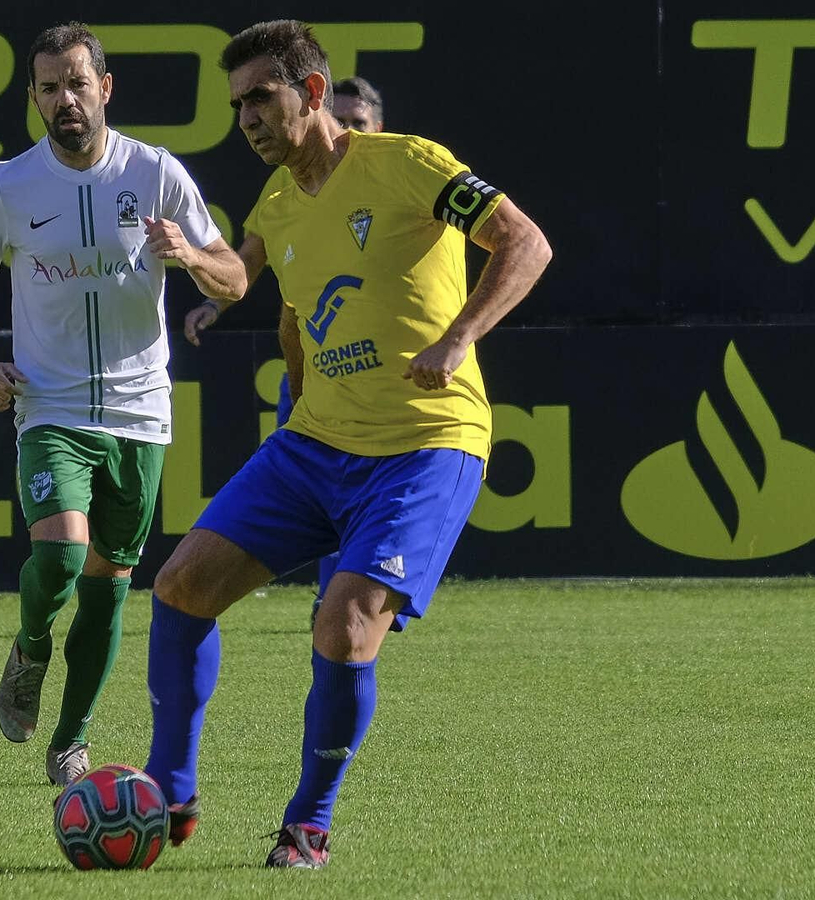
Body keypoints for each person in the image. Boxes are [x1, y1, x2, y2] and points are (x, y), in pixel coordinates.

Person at [149, 20, 552, 868]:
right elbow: (285, 309)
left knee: (346, 622)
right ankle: (167, 794)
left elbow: (526, 242)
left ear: (316, 92)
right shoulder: (277, 202)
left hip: (426, 444)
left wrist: (459, 338)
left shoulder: (406, 160)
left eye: (262, 96)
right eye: (237, 105)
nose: (247, 117)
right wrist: (193, 260)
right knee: (181, 585)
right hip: (315, 443)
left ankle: (308, 822)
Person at [0, 22, 245, 787]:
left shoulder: (157, 171)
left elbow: (234, 277)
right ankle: (32, 642)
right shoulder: (7, 185)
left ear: (105, 87)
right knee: (63, 556)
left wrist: (192, 255)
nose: (64, 99)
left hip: (141, 413)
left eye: (77, 82)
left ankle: (69, 741)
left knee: (109, 587)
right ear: (35, 97)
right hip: (50, 408)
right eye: (49, 86)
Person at [184, 75, 389, 614]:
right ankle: (333, 600)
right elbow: (247, 259)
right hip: (312, 373)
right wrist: (214, 304)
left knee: (361, 501)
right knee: (318, 490)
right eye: (338, 117)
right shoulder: (283, 186)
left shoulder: (392, 174)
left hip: (382, 385)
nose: (343, 129)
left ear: (377, 127)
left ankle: (346, 597)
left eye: (356, 122)